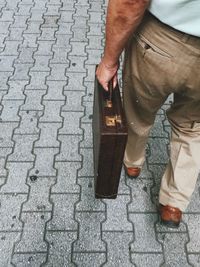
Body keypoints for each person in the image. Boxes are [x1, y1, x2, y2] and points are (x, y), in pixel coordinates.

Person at [96, 0, 200, 228]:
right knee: (192, 126)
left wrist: (109, 61)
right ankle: (174, 202)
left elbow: (130, 2)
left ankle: (132, 162)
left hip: (163, 39)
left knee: (138, 110)